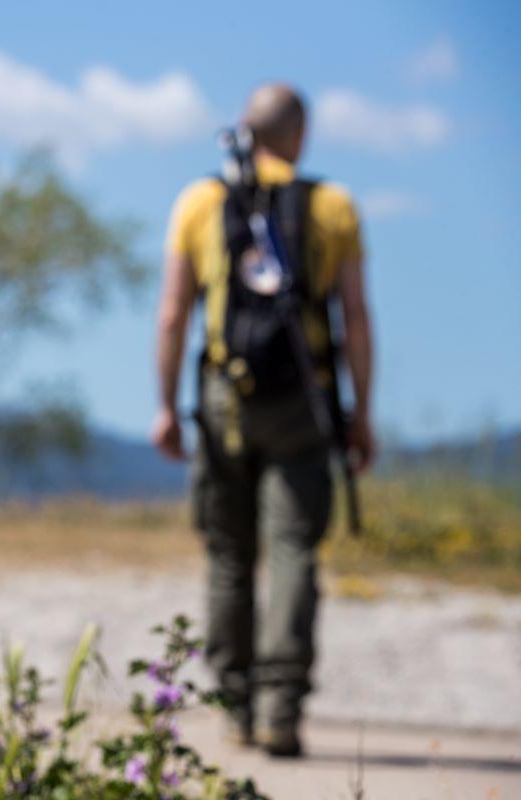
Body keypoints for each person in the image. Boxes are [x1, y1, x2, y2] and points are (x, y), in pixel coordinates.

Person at [150, 83, 375, 757]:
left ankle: (236, 704)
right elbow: (356, 320)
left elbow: (172, 313)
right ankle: (282, 708)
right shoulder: (333, 207)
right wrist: (361, 413)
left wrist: (165, 408)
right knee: (293, 552)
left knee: (228, 555)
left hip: (226, 398)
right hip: (304, 399)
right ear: (300, 135)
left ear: (245, 130)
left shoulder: (200, 202)